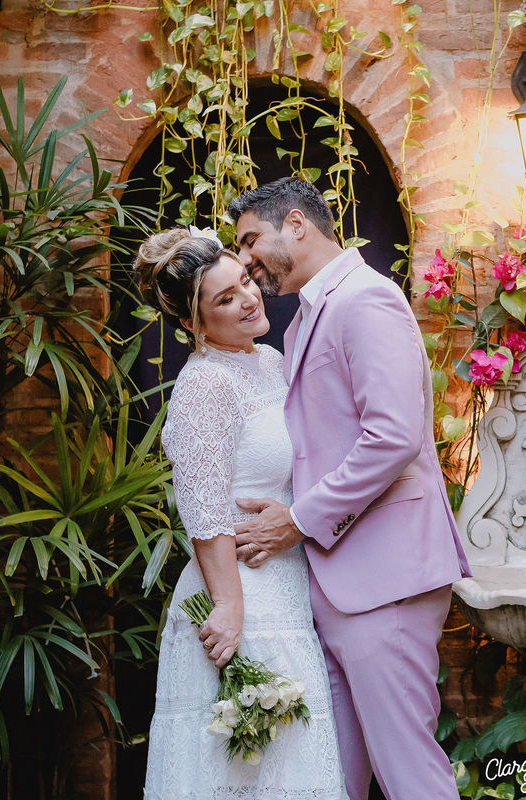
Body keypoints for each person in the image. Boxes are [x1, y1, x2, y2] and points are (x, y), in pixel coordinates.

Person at [225, 177, 471, 800]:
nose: (246, 260)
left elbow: (393, 437)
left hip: (384, 581)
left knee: (410, 776)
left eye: (251, 240)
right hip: (337, 582)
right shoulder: (308, 315)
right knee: (337, 781)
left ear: (297, 224)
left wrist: (297, 520)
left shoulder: (366, 299)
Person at [135, 228, 347, 800]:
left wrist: (297, 514)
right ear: (193, 323)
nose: (249, 299)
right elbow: (204, 511)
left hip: (287, 582)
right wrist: (229, 608)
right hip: (238, 595)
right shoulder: (204, 385)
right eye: (225, 299)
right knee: (239, 772)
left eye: (245, 282)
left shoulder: (271, 362)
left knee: (291, 766)